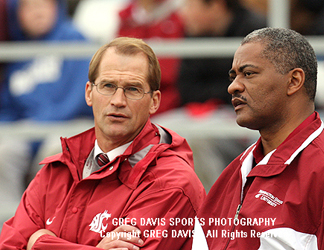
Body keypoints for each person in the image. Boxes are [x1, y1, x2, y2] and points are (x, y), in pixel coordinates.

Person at [192, 27, 324, 250]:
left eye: (248, 74)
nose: (233, 87)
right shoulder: (235, 171)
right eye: (233, 76)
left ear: (294, 81)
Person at [0, 37, 206, 249]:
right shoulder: (57, 170)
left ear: (154, 101)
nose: (118, 100)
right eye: (108, 86)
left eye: (133, 89)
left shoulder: (172, 182)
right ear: (89, 93)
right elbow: (9, 245)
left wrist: (39, 242)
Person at [0, 0, 93, 228]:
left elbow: (79, 96)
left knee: (55, 152)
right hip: (29, 129)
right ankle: (11, 228)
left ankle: (51, 230)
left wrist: (38, 129)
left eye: (43, 5)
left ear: (57, 8)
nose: (37, 12)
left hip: (72, 123)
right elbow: (7, 108)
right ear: (17, 15)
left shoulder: (74, 39)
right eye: (28, 7)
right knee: (4, 151)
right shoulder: (17, 54)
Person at [160, 0, 266, 190]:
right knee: (152, 132)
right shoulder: (193, 32)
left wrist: (218, 97)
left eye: (191, 6)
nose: (183, 14)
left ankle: (214, 210)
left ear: (216, 6)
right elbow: (186, 89)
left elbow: (255, 93)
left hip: (247, 118)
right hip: (204, 112)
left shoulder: (257, 33)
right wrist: (221, 95)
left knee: (199, 138)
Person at [117, 0, 184, 115]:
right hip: (128, 94)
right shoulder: (126, 19)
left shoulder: (178, 19)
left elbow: (170, 73)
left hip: (167, 102)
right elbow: (118, 62)